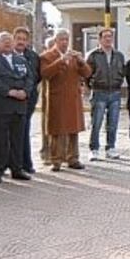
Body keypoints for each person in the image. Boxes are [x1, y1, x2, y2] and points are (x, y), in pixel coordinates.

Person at [0, 32, 32, 183]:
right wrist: (9, 92)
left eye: (10, 41)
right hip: (1, 106)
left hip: (19, 106)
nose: (7, 43)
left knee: (18, 139)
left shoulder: (21, 60)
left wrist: (25, 91)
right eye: (4, 41)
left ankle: (16, 168)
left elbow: (30, 78)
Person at [40, 29, 92, 171]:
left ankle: (73, 158)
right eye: (61, 39)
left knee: (73, 129)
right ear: (55, 41)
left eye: (66, 39)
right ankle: (56, 160)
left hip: (73, 98)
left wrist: (82, 62)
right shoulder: (47, 56)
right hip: (56, 99)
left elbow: (87, 73)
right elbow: (45, 73)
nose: (64, 42)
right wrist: (61, 61)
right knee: (56, 130)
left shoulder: (75, 56)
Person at [85, 28, 125, 160]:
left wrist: (119, 82)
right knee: (96, 122)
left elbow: (122, 71)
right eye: (105, 37)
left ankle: (111, 148)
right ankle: (94, 149)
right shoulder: (93, 55)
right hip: (99, 92)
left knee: (113, 123)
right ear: (100, 39)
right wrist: (90, 86)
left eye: (110, 36)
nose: (108, 39)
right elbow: (86, 74)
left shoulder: (119, 55)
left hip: (115, 92)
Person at [13, 27, 42, 173]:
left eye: (24, 39)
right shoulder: (7, 55)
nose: (21, 42)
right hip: (11, 99)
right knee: (12, 133)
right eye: (18, 39)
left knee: (24, 130)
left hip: (28, 99)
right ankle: (10, 163)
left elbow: (37, 76)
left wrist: (26, 91)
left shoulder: (33, 56)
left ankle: (26, 163)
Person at [39, 35, 56, 166]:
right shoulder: (44, 58)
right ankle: (46, 152)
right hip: (47, 98)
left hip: (61, 98)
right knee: (46, 126)